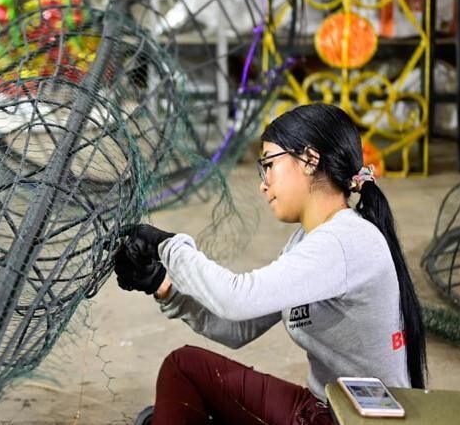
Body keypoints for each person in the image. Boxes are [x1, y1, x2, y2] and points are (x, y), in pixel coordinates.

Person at [115, 103, 426, 425]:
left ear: (309, 160)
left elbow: (236, 299)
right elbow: (239, 328)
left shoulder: (345, 241)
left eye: (269, 166)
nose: (263, 183)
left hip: (357, 419)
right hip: (323, 408)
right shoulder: (307, 241)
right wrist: (163, 286)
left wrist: (168, 246)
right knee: (185, 367)